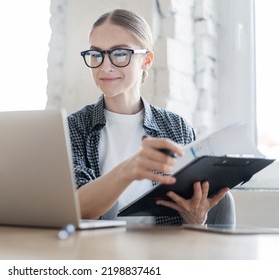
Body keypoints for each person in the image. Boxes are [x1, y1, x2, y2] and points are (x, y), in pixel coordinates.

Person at [67, 9, 236, 225]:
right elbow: (76, 208)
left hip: (163, 252)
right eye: (96, 55)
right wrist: (129, 170)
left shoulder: (178, 128)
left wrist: (196, 219)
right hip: (97, 252)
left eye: (120, 54)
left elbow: (193, 210)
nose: (105, 66)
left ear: (146, 60)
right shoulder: (74, 128)